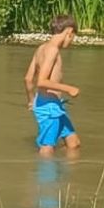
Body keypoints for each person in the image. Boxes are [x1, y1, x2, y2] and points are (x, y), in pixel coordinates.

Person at [24, 14, 81, 157]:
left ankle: (64, 174)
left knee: (74, 143)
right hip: (49, 109)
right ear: (68, 31)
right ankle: (46, 177)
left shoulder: (41, 48)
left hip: (54, 106)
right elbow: (41, 81)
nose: (72, 41)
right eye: (73, 37)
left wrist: (31, 100)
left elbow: (28, 79)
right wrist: (69, 88)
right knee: (47, 148)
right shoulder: (53, 50)